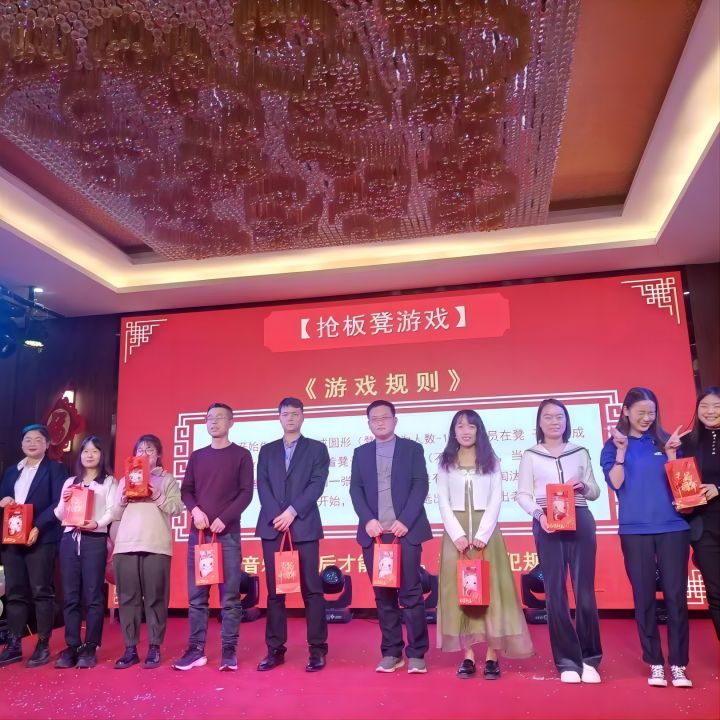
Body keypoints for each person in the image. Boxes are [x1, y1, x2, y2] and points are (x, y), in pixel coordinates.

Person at [600, 387, 692, 688]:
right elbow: (616, 483)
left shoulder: (666, 440)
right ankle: (654, 662)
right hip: (635, 530)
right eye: (640, 412)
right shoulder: (613, 445)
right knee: (644, 598)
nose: (646, 417)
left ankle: (678, 664)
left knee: (676, 597)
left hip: (673, 527)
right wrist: (622, 452)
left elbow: (683, 487)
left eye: (651, 412)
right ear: (626, 411)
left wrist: (672, 455)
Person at [438, 410, 533, 679]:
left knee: (491, 591)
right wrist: (456, 533)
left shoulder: (492, 460)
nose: (465, 431)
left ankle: (492, 655)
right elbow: (443, 500)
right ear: (453, 432)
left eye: (471, 426)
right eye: (460, 426)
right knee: (460, 591)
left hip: (486, 534)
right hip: (455, 536)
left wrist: (483, 532)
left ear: (479, 430)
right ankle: (468, 655)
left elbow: (496, 498)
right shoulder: (445, 462)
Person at [516, 399, 601, 684]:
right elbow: (522, 494)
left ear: (566, 421)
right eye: (548, 417)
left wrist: (584, 486)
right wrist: (539, 515)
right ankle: (567, 661)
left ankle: (590, 659)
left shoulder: (580, 452)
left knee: (584, 590)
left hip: (580, 519)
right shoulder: (530, 455)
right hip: (546, 522)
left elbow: (595, 491)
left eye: (559, 416)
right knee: (555, 592)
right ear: (539, 423)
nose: (554, 422)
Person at [349, 400, 432, 674]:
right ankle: (391, 652)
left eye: (385, 417)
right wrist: (368, 520)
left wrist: (405, 520)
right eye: (375, 419)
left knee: (411, 594)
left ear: (395, 420)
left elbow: (420, 485)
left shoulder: (412, 449)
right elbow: (355, 490)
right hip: (374, 535)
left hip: (404, 532)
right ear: (369, 424)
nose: (380, 422)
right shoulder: (361, 453)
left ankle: (417, 653)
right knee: (383, 596)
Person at [174, 402, 253, 672]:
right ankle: (196, 650)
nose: (214, 422)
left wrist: (225, 518)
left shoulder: (241, 455)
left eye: (220, 417)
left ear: (231, 422)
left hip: (227, 536)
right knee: (197, 597)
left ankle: (229, 651)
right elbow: (186, 490)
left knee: (229, 597)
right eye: (209, 418)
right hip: (199, 536)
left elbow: (246, 493)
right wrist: (195, 511)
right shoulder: (197, 456)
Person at [255, 397, 330, 672]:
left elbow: (317, 484)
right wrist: (278, 515)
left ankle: (317, 649)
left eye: (295, 413)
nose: (290, 418)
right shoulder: (267, 451)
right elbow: (262, 485)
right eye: (285, 414)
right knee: (275, 591)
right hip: (273, 527)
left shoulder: (317, 449)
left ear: (303, 416)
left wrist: (292, 512)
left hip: (304, 526)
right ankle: (275, 649)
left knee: (312, 589)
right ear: (279, 417)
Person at [112, 434, 183, 669]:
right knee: (128, 598)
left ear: (158, 455)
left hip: (156, 544)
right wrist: (123, 500)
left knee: (156, 598)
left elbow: (176, 508)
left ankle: (154, 647)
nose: (144, 454)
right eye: (140, 450)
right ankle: (130, 648)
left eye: (150, 450)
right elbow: (114, 514)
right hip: (126, 545)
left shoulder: (167, 479)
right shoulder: (125, 480)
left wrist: (156, 494)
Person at [0, 423, 67, 668]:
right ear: (21, 444)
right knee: (15, 592)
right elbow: (4, 498)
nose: (32, 443)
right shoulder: (12, 471)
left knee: (41, 591)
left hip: (41, 537)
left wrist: (37, 526)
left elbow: (58, 503)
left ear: (47, 444)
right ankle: (14, 644)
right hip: (12, 538)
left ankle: (43, 644)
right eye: (28, 439)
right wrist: (3, 501)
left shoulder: (55, 469)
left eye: (38, 439)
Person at [52, 436, 117, 669]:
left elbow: (112, 511)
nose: (89, 455)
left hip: (94, 539)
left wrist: (97, 524)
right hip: (69, 539)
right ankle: (72, 645)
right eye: (85, 451)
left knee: (93, 595)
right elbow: (60, 514)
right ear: (80, 455)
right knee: (70, 595)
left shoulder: (108, 481)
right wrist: (65, 500)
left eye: (95, 451)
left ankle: (90, 646)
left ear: (102, 455)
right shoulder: (70, 482)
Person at [680, 386, 720, 639]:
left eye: (716, 406)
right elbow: (679, 480)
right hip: (703, 527)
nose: (710, 411)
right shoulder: (688, 442)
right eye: (704, 406)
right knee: (715, 592)